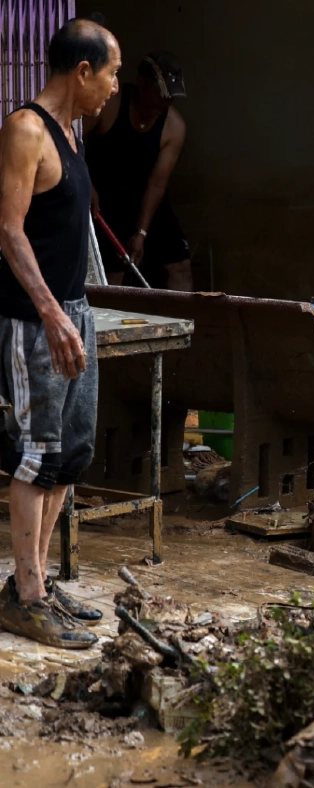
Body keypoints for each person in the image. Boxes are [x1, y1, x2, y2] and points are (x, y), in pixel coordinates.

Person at [0, 18, 121, 649]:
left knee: (68, 456)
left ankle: (39, 583)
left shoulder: (73, 134)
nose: (115, 85)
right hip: (34, 321)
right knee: (36, 455)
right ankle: (24, 597)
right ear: (82, 71)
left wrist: (71, 313)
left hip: (73, 311)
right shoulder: (26, 129)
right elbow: (10, 232)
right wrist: (49, 313)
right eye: (112, 71)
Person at [85, 51, 190, 290]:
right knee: (112, 275)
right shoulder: (110, 104)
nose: (164, 103)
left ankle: (183, 325)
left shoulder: (174, 127)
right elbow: (71, 141)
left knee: (179, 266)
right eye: (160, 95)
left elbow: (157, 184)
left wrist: (141, 232)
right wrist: (85, 182)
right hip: (103, 200)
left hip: (147, 200)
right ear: (142, 83)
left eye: (170, 98)